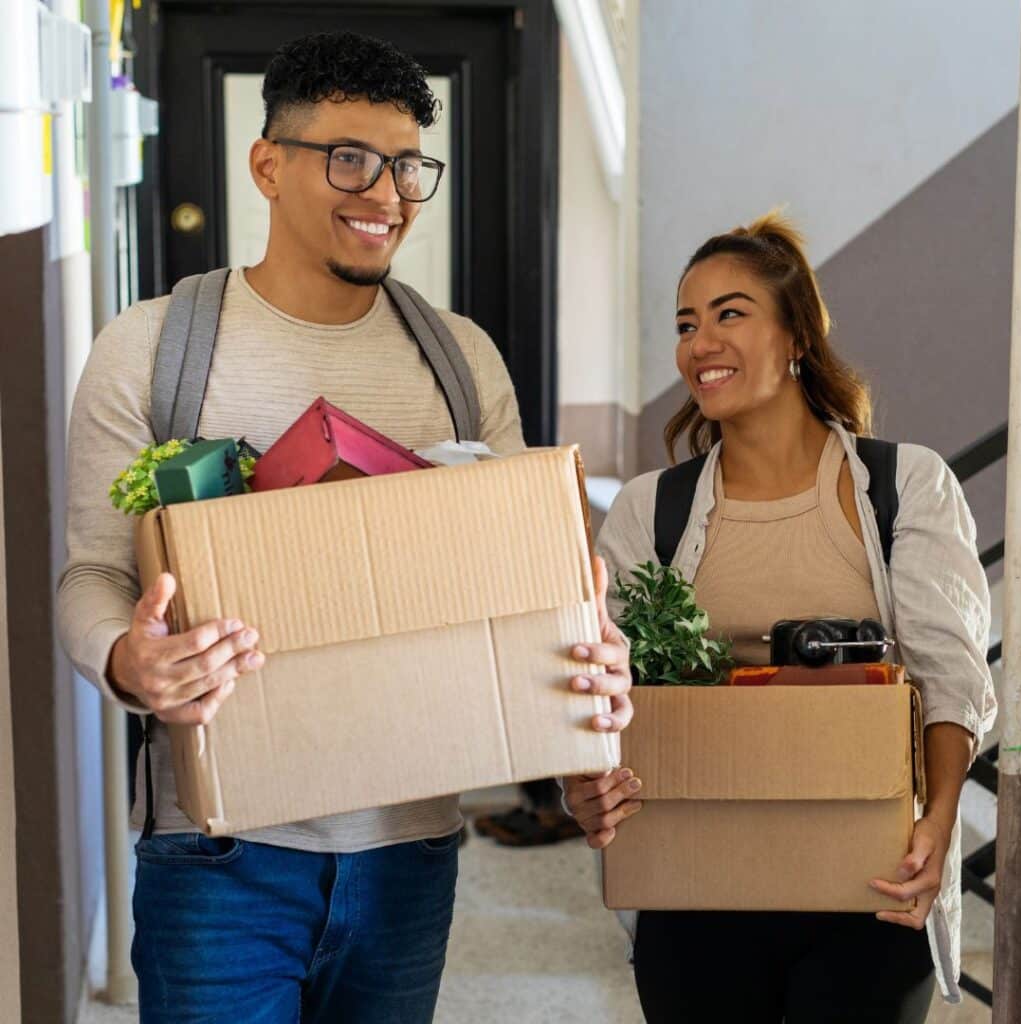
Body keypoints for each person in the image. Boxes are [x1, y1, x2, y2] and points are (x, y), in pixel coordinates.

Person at [58, 31, 632, 1024]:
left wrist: (590, 681)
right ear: (268, 165)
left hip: (409, 850)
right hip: (215, 852)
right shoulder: (152, 349)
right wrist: (127, 660)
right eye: (351, 159)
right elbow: (88, 576)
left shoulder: (461, 363)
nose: (388, 194)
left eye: (410, 165)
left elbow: (534, 591)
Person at [564, 212, 996, 1022]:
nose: (701, 343)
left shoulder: (907, 488)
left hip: (868, 885)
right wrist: (579, 784)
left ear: (796, 333)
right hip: (696, 882)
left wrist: (938, 825)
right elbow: (594, 685)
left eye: (730, 313)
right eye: (686, 324)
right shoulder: (649, 509)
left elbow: (951, 677)